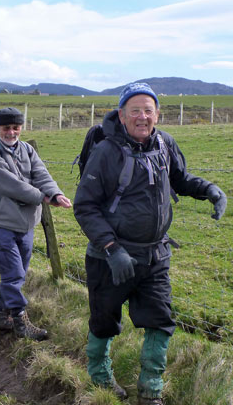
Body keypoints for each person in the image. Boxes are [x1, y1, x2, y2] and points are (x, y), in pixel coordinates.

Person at [73, 82, 227, 405]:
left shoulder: (165, 145)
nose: (142, 117)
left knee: (160, 321)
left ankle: (150, 392)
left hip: (155, 256)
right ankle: (101, 380)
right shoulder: (105, 153)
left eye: (148, 110)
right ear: (122, 114)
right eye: (135, 111)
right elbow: (84, 206)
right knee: (104, 321)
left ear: (157, 113)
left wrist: (209, 189)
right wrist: (111, 249)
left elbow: (181, 180)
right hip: (109, 259)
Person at [0, 107, 72, 341]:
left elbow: (41, 174)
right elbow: (10, 184)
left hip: (27, 223)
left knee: (17, 273)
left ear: (21, 127)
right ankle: (20, 321)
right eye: (6, 127)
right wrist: (43, 197)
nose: (11, 132)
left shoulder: (27, 149)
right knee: (13, 273)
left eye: (15, 127)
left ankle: (3, 317)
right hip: (2, 223)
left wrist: (56, 193)